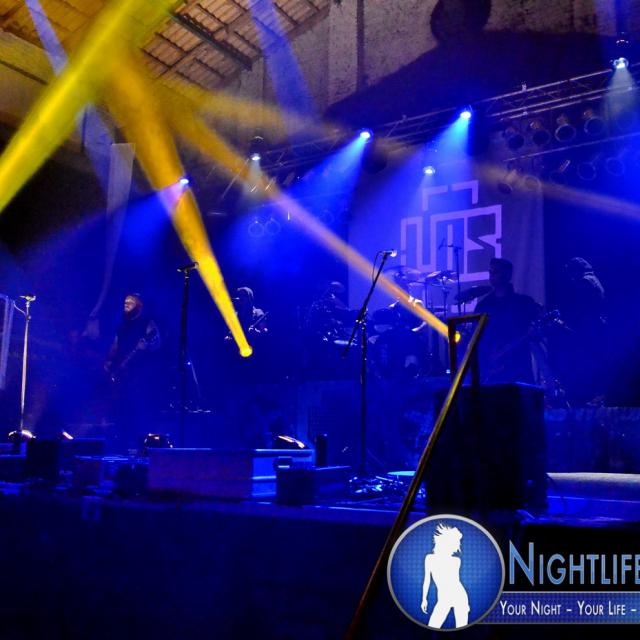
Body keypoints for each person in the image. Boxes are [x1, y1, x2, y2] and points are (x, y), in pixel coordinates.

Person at [104, 293, 161, 452]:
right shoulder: (121, 325)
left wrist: (147, 346)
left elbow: (157, 343)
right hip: (122, 373)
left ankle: (141, 448)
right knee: (120, 410)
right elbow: (115, 345)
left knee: (137, 409)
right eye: (125, 301)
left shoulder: (147, 323)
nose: (126, 303)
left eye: (131, 301)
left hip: (140, 374)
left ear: (139, 305)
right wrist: (109, 360)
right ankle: (121, 447)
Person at [474, 258, 541, 384]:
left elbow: (537, 329)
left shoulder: (524, 303)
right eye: (490, 271)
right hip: (492, 368)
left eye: (496, 271)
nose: (492, 275)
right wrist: (488, 357)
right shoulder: (483, 305)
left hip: (518, 364)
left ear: (508, 274)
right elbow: (477, 337)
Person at [421, 523, 469, 629]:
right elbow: (427, 580)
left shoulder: (456, 561)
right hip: (444, 598)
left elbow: (455, 582)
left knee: (461, 628)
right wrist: (424, 598)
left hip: (459, 596)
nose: (457, 546)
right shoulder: (429, 558)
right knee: (433, 626)